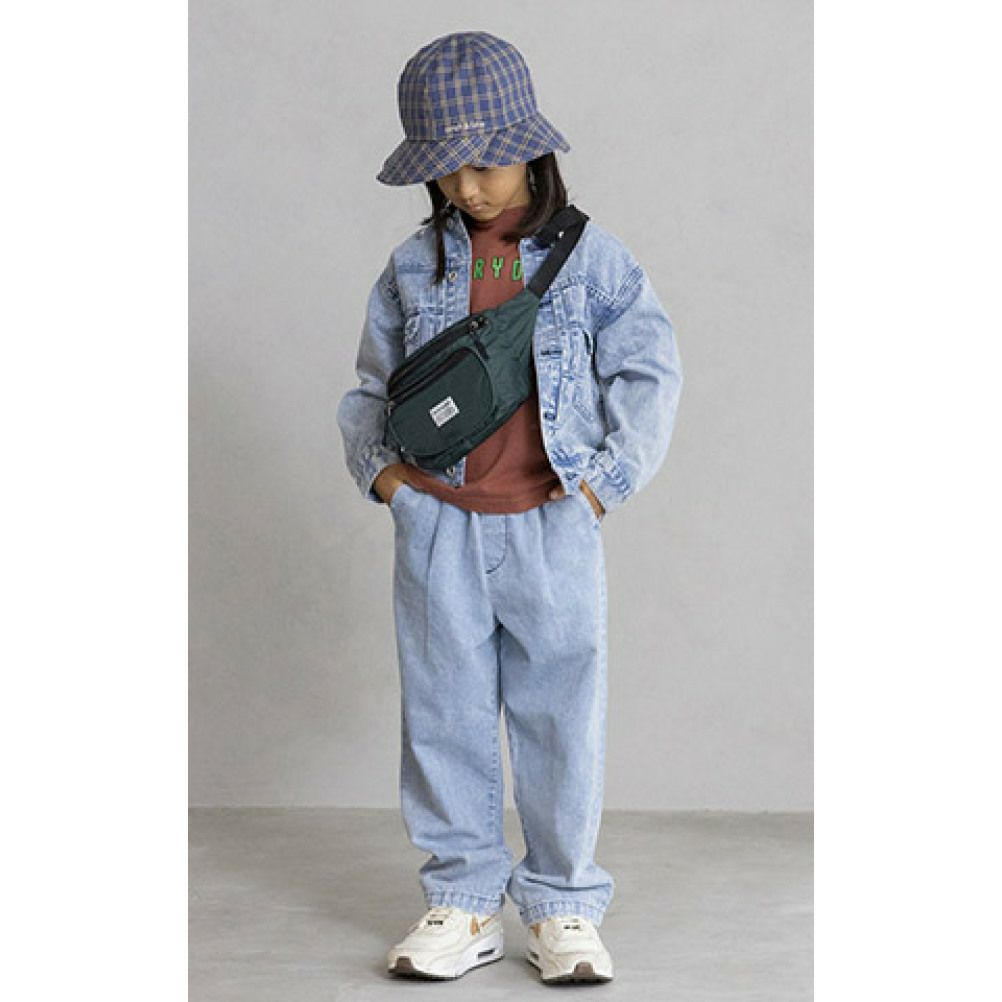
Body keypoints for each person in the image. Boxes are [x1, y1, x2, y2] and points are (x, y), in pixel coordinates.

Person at [336, 30, 683, 985]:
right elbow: (371, 387)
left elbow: (651, 369)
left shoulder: (591, 259)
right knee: (442, 716)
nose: (467, 188)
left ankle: (563, 904)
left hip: (550, 524)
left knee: (561, 716)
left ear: (531, 150)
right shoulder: (413, 266)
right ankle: (463, 900)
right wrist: (388, 481)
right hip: (439, 523)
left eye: (485, 164)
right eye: (447, 170)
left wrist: (605, 483)